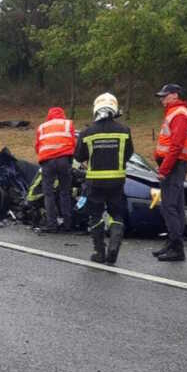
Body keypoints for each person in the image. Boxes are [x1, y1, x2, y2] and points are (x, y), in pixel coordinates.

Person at [75, 93, 133, 265]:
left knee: (96, 215)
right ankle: (114, 245)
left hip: (95, 181)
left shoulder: (87, 132)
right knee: (117, 214)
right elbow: (129, 154)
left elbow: (78, 156)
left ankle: (99, 252)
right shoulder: (124, 131)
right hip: (117, 181)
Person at [152, 83, 187, 262]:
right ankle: (172, 243)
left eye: (164, 96)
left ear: (174, 95)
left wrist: (164, 169)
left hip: (174, 166)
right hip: (174, 165)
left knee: (169, 206)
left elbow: (176, 145)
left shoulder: (179, 115)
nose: (162, 99)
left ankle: (177, 248)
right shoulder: (175, 113)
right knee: (175, 205)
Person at [34, 106, 76, 233]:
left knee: (48, 194)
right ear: (62, 114)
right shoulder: (68, 124)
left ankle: (51, 224)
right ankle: (67, 224)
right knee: (65, 192)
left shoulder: (42, 127)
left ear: (49, 115)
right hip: (64, 160)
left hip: (47, 162)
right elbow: (73, 142)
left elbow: (37, 146)